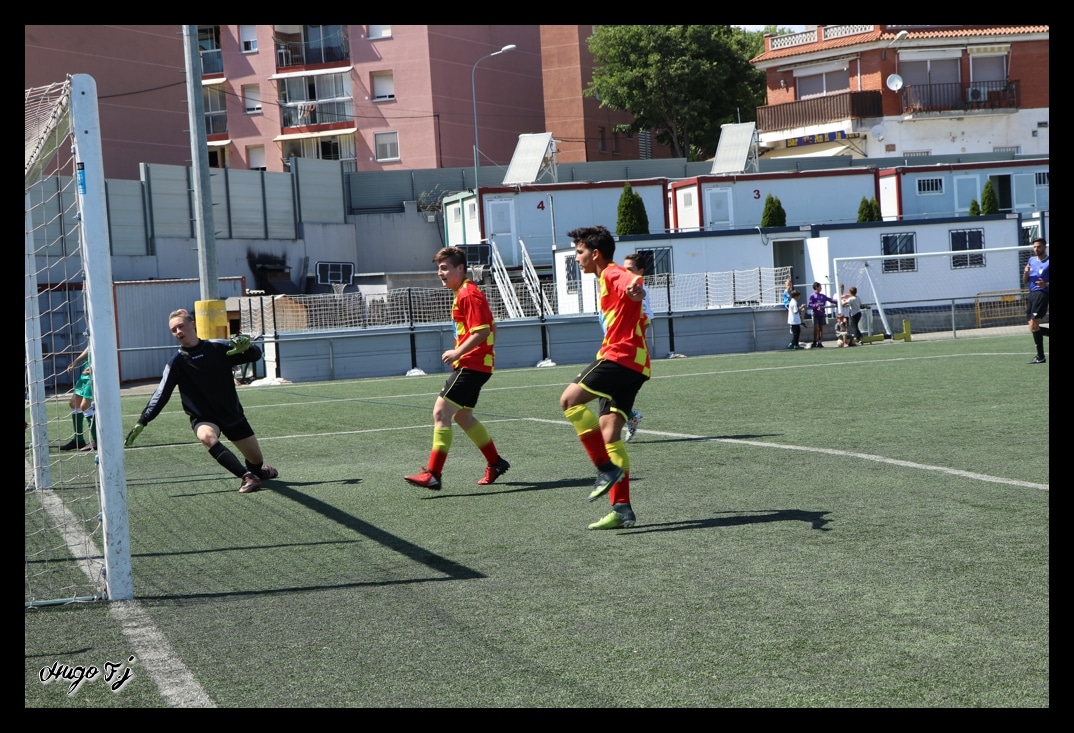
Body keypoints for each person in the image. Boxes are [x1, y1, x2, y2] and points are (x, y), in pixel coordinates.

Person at [124, 308, 277, 494]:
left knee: (255, 460)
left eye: (181, 326)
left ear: (192, 324)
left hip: (231, 413)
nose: (178, 332)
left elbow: (253, 356)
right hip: (203, 417)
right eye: (174, 330)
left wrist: (250, 348)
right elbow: (161, 394)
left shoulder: (218, 347)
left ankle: (256, 471)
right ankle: (248, 477)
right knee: (206, 437)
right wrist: (143, 420)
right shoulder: (176, 362)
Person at [559, 226, 649, 530]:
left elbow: (632, 281)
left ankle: (604, 468)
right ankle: (622, 509)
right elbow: (639, 313)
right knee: (609, 434)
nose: (577, 258)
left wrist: (638, 288)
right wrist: (635, 299)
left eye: (580, 252)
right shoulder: (604, 280)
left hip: (619, 357)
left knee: (569, 400)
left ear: (595, 254)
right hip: (637, 365)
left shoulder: (611, 273)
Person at [404, 247, 510, 490]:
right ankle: (495, 462)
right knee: (462, 416)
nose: (440, 273)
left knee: (441, 413)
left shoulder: (468, 294)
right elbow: (491, 328)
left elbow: (483, 330)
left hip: (472, 365)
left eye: (444, 268)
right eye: (438, 268)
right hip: (474, 364)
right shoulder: (463, 292)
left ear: (460, 268)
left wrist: (459, 352)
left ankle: (433, 474)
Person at [619, 252, 653, 442]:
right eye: (624, 269)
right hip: (615, 346)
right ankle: (631, 416)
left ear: (641, 272)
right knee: (609, 392)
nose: (626, 272)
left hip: (629, 351)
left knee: (607, 390)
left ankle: (630, 417)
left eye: (630, 269)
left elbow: (645, 322)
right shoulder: (623, 287)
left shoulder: (640, 292)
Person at [59, 346, 95, 451]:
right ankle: (78, 440)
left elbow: (107, 352)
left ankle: (97, 440)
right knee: (74, 403)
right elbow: (89, 347)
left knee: (85, 406)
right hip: (86, 372)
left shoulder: (105, 332)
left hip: (96, 373)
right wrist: (75, 362)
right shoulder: (91, 333)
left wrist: (93, 366)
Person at [1023, 237, 1049, 364]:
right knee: (1032, 327)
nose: (1036, 249)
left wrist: (1046, 285)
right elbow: (1025, 281)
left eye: (1038, 246)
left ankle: (1040, 357)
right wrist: (1025, 273)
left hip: (1042, 294)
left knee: (1034, 325)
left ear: (1044, 247)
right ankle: (1040, 357)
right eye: (1034, 247)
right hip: (1032, 294)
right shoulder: (1031, 260)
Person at [807, 282, 838, 348]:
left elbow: (830, 300)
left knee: (821, 328)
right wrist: (816, 306)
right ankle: (814, 341)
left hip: (822, 314)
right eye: (820, 287)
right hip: (815, 314)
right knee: (816, 328)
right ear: (816, 287)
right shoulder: (812, 296)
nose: (821, 288)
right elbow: (810, 304)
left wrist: (839, 301)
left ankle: (820, 342)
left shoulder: (822, 296)